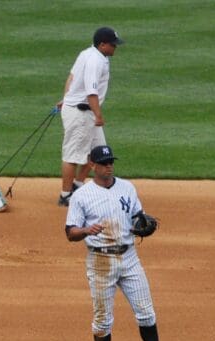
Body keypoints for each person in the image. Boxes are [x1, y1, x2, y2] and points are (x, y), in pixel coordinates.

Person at [64, 145, 178, 341]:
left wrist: (145, 223)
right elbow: (70, 233)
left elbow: (139, 215)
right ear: (92, 166)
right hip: (100, 261)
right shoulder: (82, 196)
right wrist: (86, 230)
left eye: (111, 162)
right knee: (103, 320)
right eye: (104, 163)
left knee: (146, 313)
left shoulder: (127, 187)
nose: (109, 166)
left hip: (129, 258)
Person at [56, 27, 123, 207]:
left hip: (84, 110)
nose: (115, 47)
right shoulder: (95, 61)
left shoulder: (90, 54)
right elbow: (91, 92)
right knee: (73, 155)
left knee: (99, 152)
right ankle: (65, 195)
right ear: (102, 45)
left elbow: (71, 77)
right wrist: (98, 115)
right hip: (81, 112)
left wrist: (66, 97)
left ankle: (78, 186)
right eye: (112, 44)